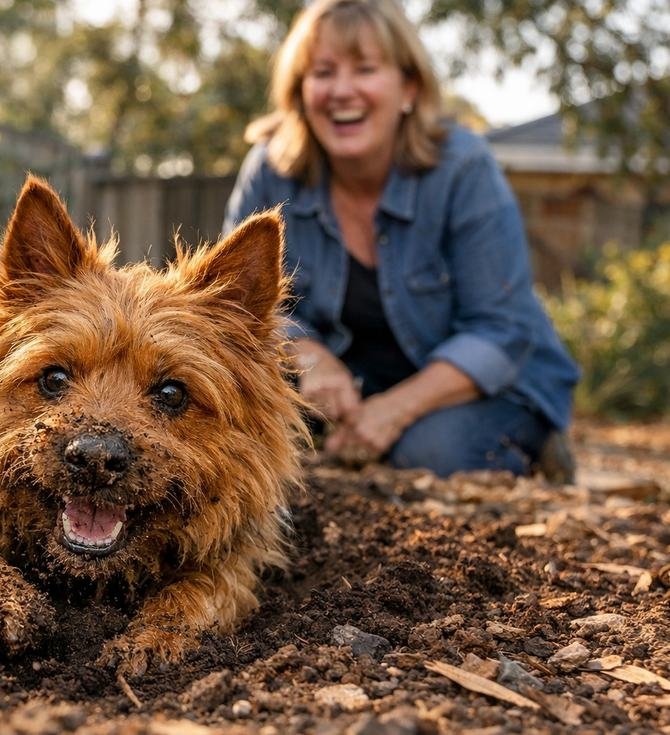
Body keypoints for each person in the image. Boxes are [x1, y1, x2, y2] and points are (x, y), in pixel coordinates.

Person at [223, 0, 579, 479]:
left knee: (429, 455)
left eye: (365, 69)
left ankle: (535, 442)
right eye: (323, 72)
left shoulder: (463, 168)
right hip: (349, 387)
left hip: (487, 381)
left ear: (408, 87)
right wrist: (311, 357)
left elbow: (501, 330)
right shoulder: (270, 171)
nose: (341, 91)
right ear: (300, 90)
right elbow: (233, 309)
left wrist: (393, 411)